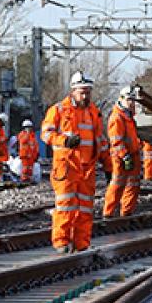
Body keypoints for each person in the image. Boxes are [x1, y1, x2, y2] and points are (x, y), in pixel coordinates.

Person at [42, 73, 103, 252]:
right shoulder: (59, 110)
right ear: (73, 91)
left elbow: (100, 140)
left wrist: (108, 165)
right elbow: (45, 134)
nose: (85, 96)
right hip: (66, 167)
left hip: (87, 169)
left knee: (85, 209)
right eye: (82, 92)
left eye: (88, 92)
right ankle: (61, 242)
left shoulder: (93, 112)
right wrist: (64, 141)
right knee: (65, 206)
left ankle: (81, 244)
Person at [102, 87, 144, 218]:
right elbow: (116, 141)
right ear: (121, 99)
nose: (131, 103)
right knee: (117, 184)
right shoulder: (117, 117)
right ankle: (108, 214)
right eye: (129, 99)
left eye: (133, 100)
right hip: (121, 157)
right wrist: (125, 156)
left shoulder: (129, 116)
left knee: (133, 185)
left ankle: (127, 213)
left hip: (133, 155)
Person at [16, 119, 41, 183]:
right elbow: (23, 141)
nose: (29, 129)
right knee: (25, 168)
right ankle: (24, 179)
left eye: (29, 127)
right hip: (25, 154)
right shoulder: (22, 134)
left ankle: (29, 179)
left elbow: (35, 145)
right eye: (27, 127)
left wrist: (37, 153)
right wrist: (27, 134)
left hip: (32, 155)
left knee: (30, 168)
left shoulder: (32, 136)